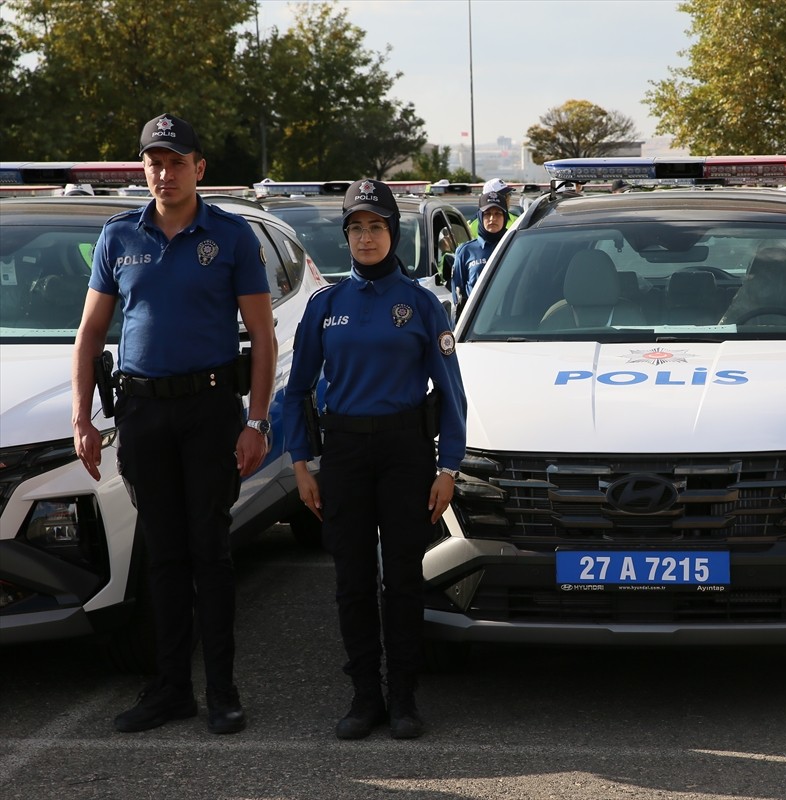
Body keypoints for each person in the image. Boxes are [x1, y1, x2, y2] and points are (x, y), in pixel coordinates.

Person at [71, 113, 277, 735]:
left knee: (209, 552)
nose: (165, 172)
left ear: (199, 168)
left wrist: (258, 420)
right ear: (143, 168)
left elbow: (263, 337)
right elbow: (91, 332)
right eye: (154, 162)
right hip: (142, 413)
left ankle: (222, 690)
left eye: (176, 161)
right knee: (161, 556)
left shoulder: (233, 236)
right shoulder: (118, 237)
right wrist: (82, 417)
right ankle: (170, 689)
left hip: (210, 411)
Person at [282, 179, 467, 741]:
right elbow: (297, 390)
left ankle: (404, 696)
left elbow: (451, 392)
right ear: (347, 236)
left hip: (404, 453)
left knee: (404, 578)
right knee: (352, 580)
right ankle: (365, 696)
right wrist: (300, 463)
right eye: (356, 228)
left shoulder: (422, 304)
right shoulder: (325, 305)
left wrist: (448, 468)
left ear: (393, 232)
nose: (365, 238)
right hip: (343, 454)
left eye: (376, 227)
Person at [451, 191, 508, 315]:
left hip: (510, 321)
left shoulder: (515, 246)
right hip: (476, 324)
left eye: (498, 213)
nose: (492, 218)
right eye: (487, 214)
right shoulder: (465, 251)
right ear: (480, 217)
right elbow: (458, 296)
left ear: (505, 217)